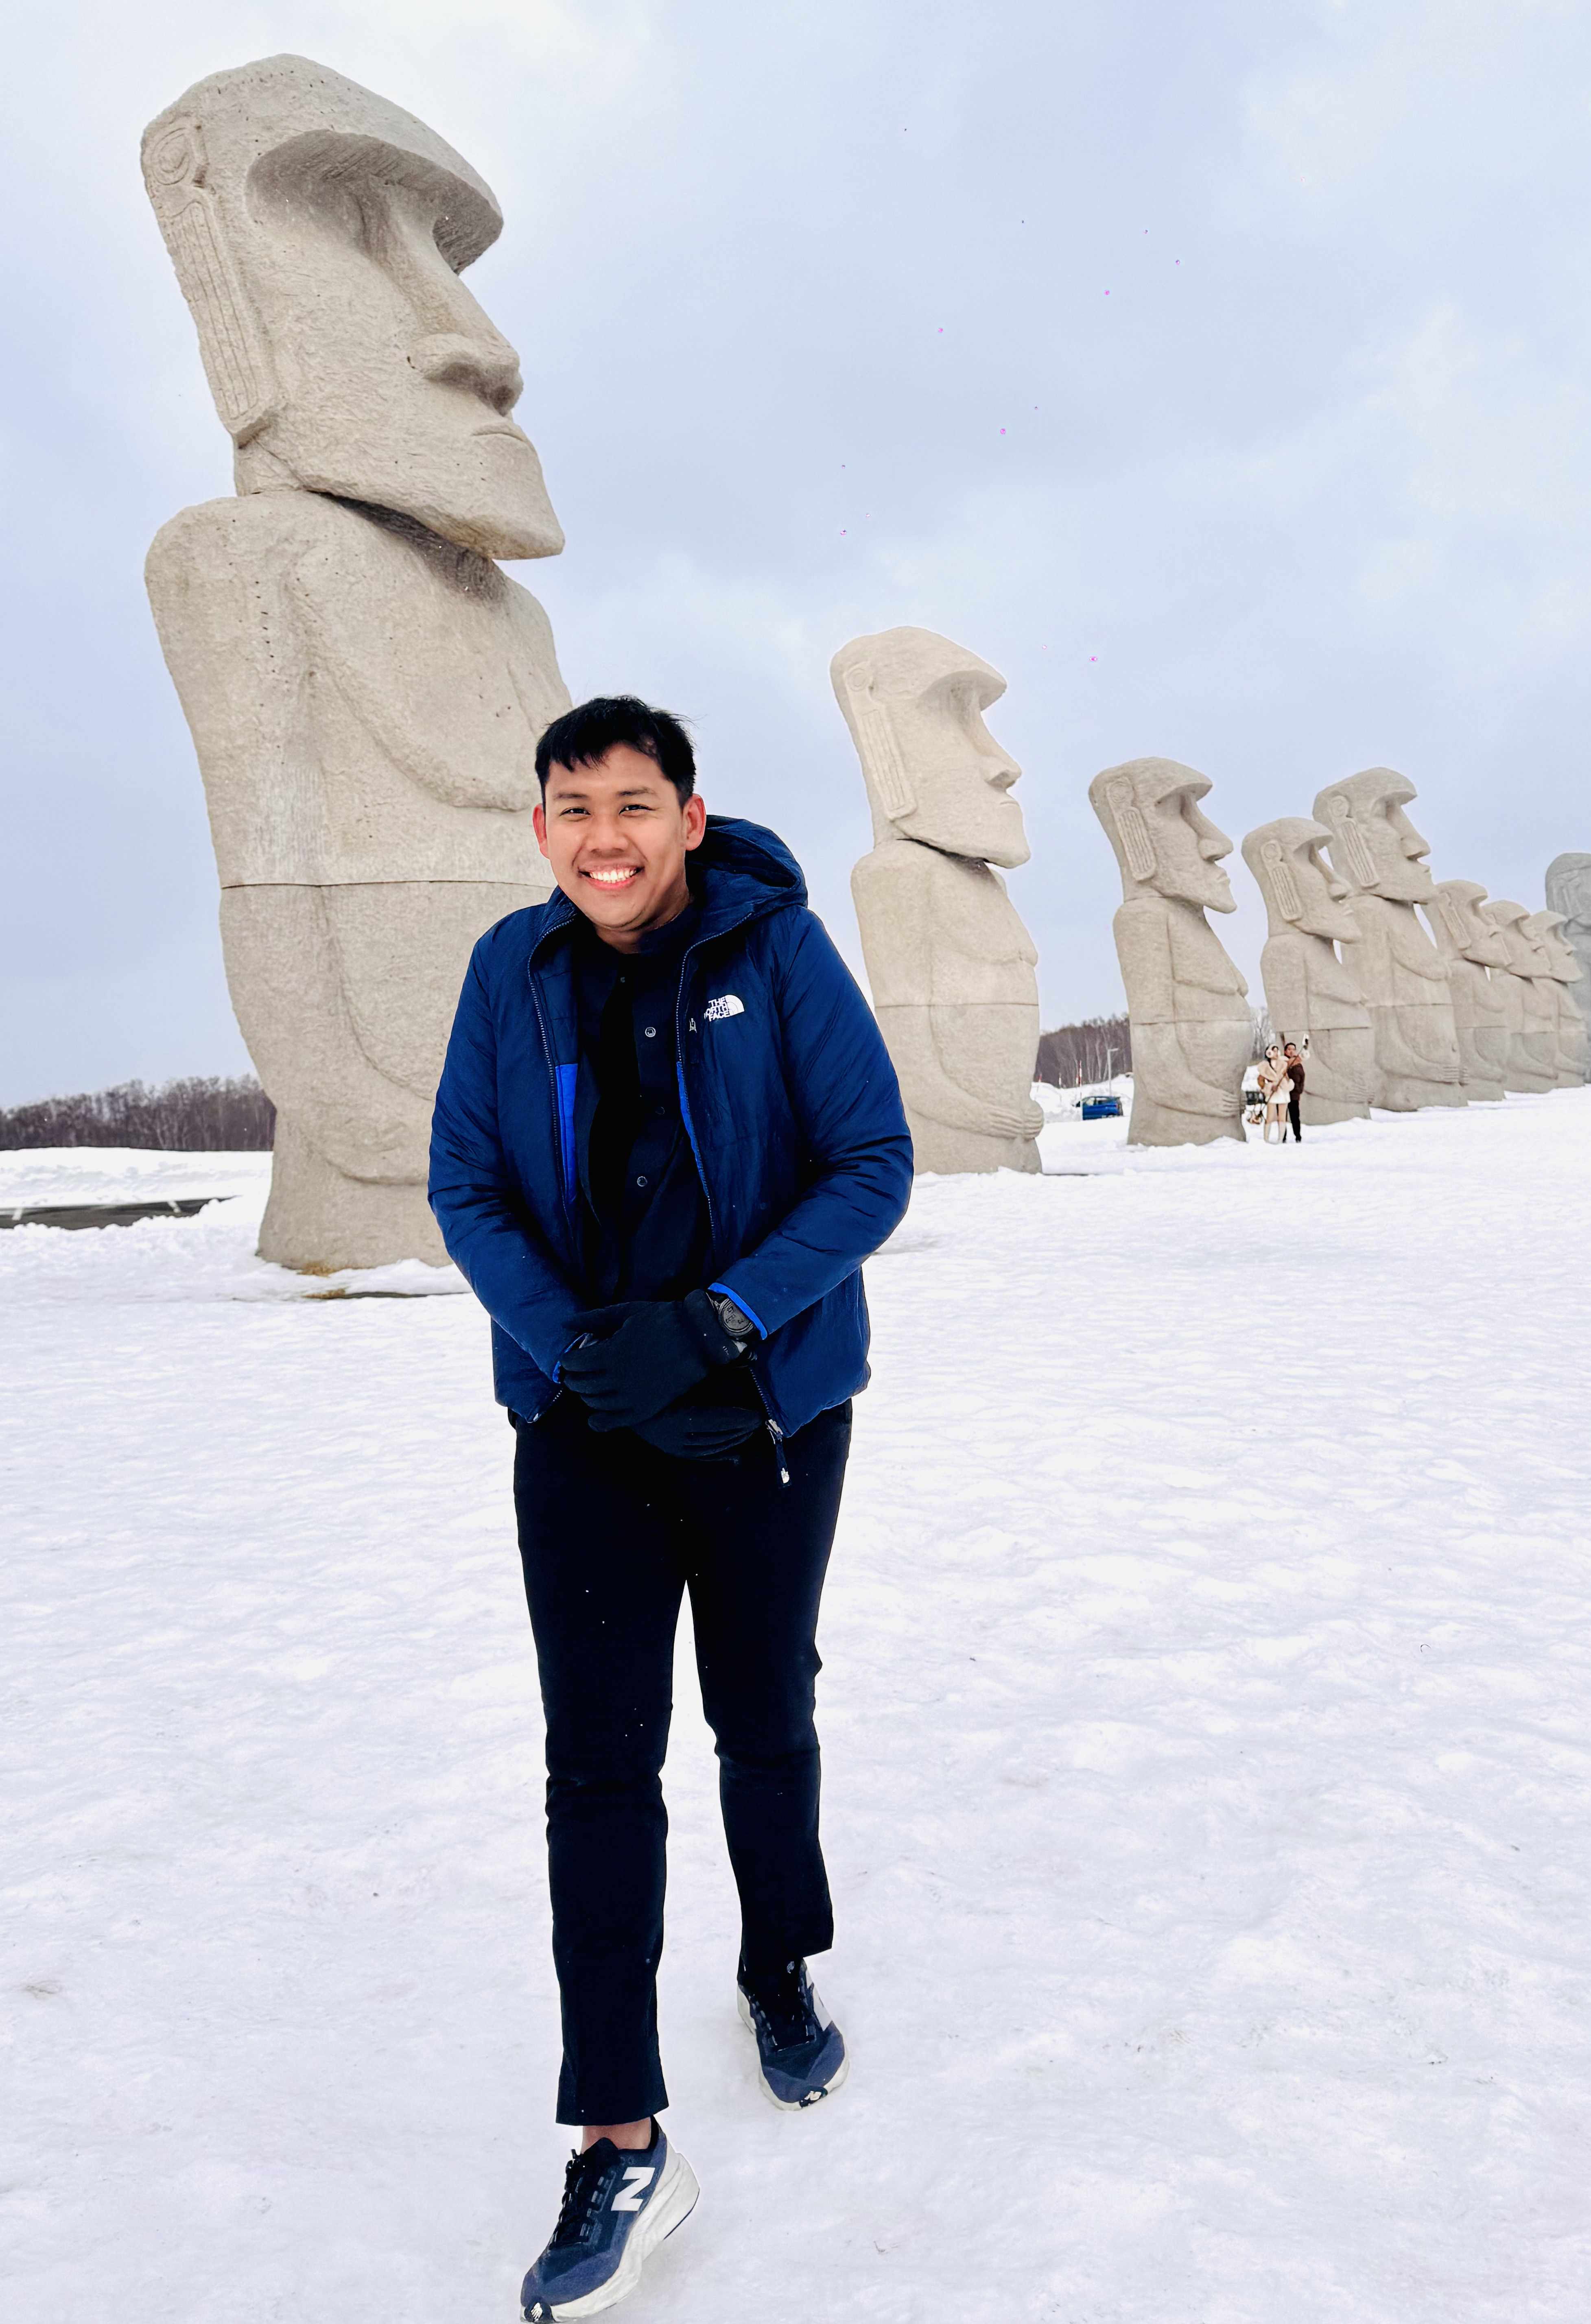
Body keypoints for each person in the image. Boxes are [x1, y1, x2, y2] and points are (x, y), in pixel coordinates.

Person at [428, 696, 913, 2319]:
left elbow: (870, 1163)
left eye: (634, 803)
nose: (604, 836)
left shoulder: (775, 953)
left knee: (762, 1713)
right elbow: (468, 1184)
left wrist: (721, 1319)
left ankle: (779, 1964)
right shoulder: (513, 971)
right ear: (544, 828)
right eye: (574, 808)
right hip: (580, 1420)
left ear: (690, 817)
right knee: (597, 1766)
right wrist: (571, 1344)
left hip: (767, 1408)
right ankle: (620, 2133)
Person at [1258, 1042, 1290, 1143]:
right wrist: (1270, 1087)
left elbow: (1287, 1078)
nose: (1276, 1053)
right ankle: (1266, 1139)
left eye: (1277, 1051)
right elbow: (1261, 1080)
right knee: (1270, 1117)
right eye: (1274, 1051)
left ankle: (1280, 1139)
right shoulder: (1265, 1066)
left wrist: (1283, 1082)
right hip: (1272, 1093)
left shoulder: (1284, 1063)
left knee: (1282, 1117)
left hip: (1282, 1091)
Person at [1282, 1038, 1308, 1143]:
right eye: (1289, 1049)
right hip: (1283, 1093)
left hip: (1294, 1094)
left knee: (1295, 1116)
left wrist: (1299, 1090)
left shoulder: (1298, 1064)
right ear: (1286, 1051)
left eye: (1294, 1049)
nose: (1292, 1051)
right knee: (1282, 1117)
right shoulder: (1283, 1062)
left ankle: (1298, 1136)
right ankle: (1283, 1136)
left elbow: (1302, 1078)